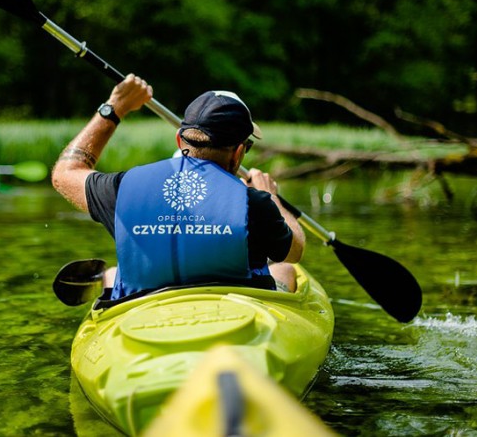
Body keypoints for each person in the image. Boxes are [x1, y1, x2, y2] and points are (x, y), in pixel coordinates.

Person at [51, 73, 305, 301]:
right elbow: (294, 250)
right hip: (235, 312)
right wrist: (272, 197)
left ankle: (108, 279)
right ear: (238, 152)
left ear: (179, 139)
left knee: (120, 271)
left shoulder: (124, 189)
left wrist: (114, 108)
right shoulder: (254, 202)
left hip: (144, 310)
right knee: (284, 269)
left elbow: (65, 173)